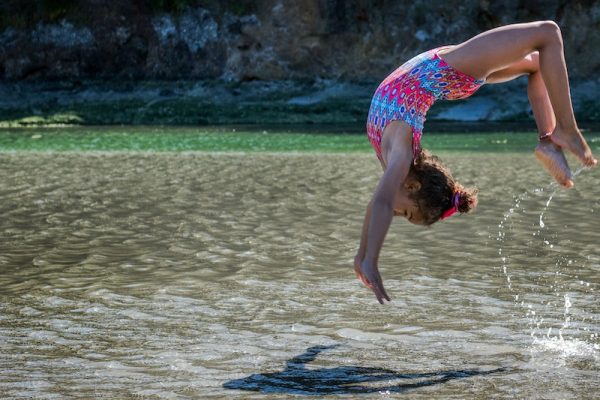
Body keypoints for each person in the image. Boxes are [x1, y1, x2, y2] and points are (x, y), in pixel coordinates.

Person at [354, 21, 597, 304]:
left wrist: (364, 257)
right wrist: (369, 258)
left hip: (445, 71)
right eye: (405, 214)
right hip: (449, 72)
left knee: (542, 50)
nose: (395, 214)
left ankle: (555, 136)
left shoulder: (398, 159)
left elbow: (378, 204)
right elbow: (381, 204)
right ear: (414, 186)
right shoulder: (401, 156)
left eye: (405, 215)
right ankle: (557, 134)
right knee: (547, 37)